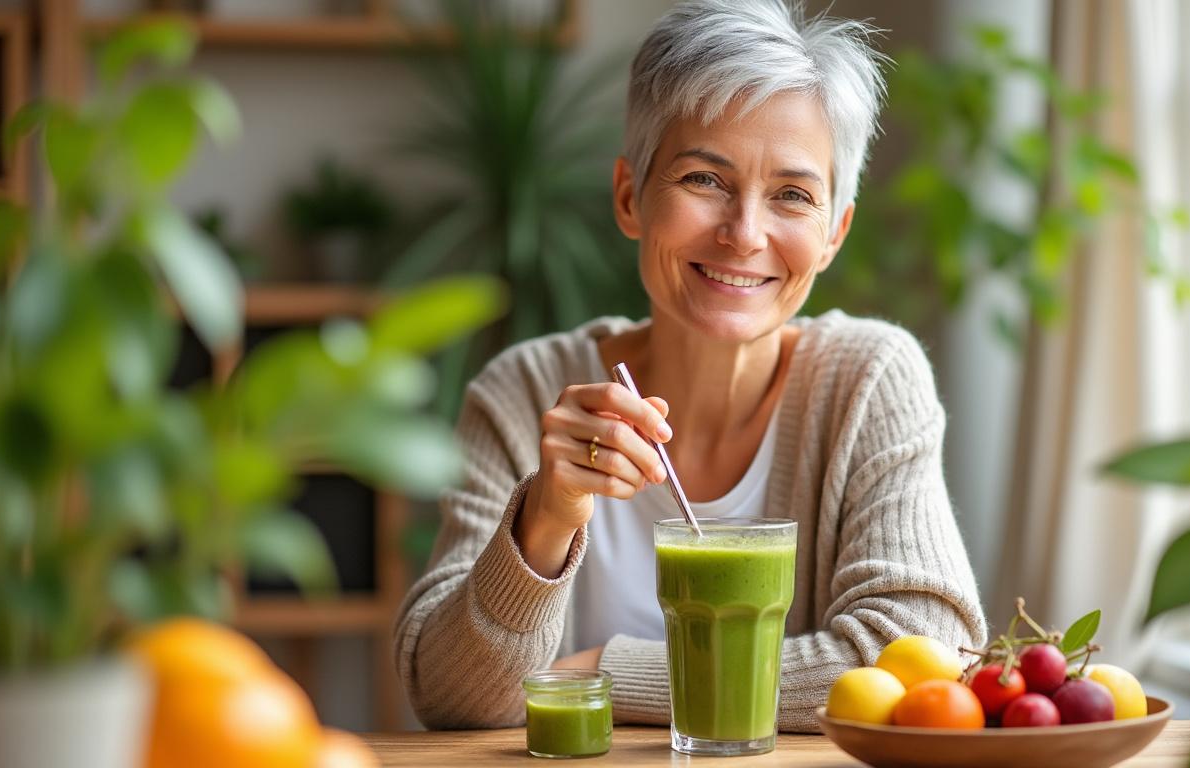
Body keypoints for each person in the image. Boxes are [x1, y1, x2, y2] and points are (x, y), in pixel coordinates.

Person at [394, 0, 987, 733]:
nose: (744, 234)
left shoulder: (867, 381)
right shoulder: (525, 393)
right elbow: (448, 695)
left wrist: (604, 671)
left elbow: (928, 655)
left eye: (793, 196)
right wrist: (546, 517)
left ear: (834, 233)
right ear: (629, 197)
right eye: (705, 180)